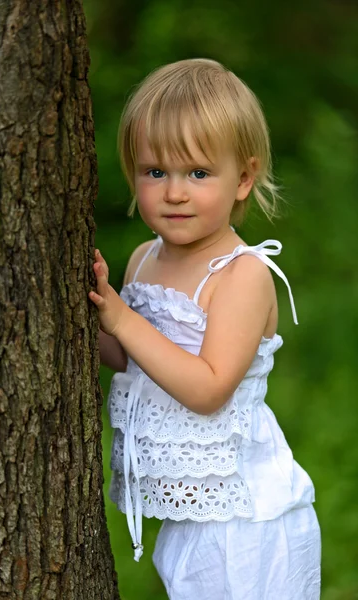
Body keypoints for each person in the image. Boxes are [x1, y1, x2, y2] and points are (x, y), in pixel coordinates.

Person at [88, 58, 321, 600]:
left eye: (197, 173)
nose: (174, 192)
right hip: (191, 516)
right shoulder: (145, 257)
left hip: (246, 522)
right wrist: (96, 318)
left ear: (243, 178)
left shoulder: (242, 274)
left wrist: (122, 317)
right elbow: (138, 360)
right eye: (155, 172)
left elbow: (209, 388)